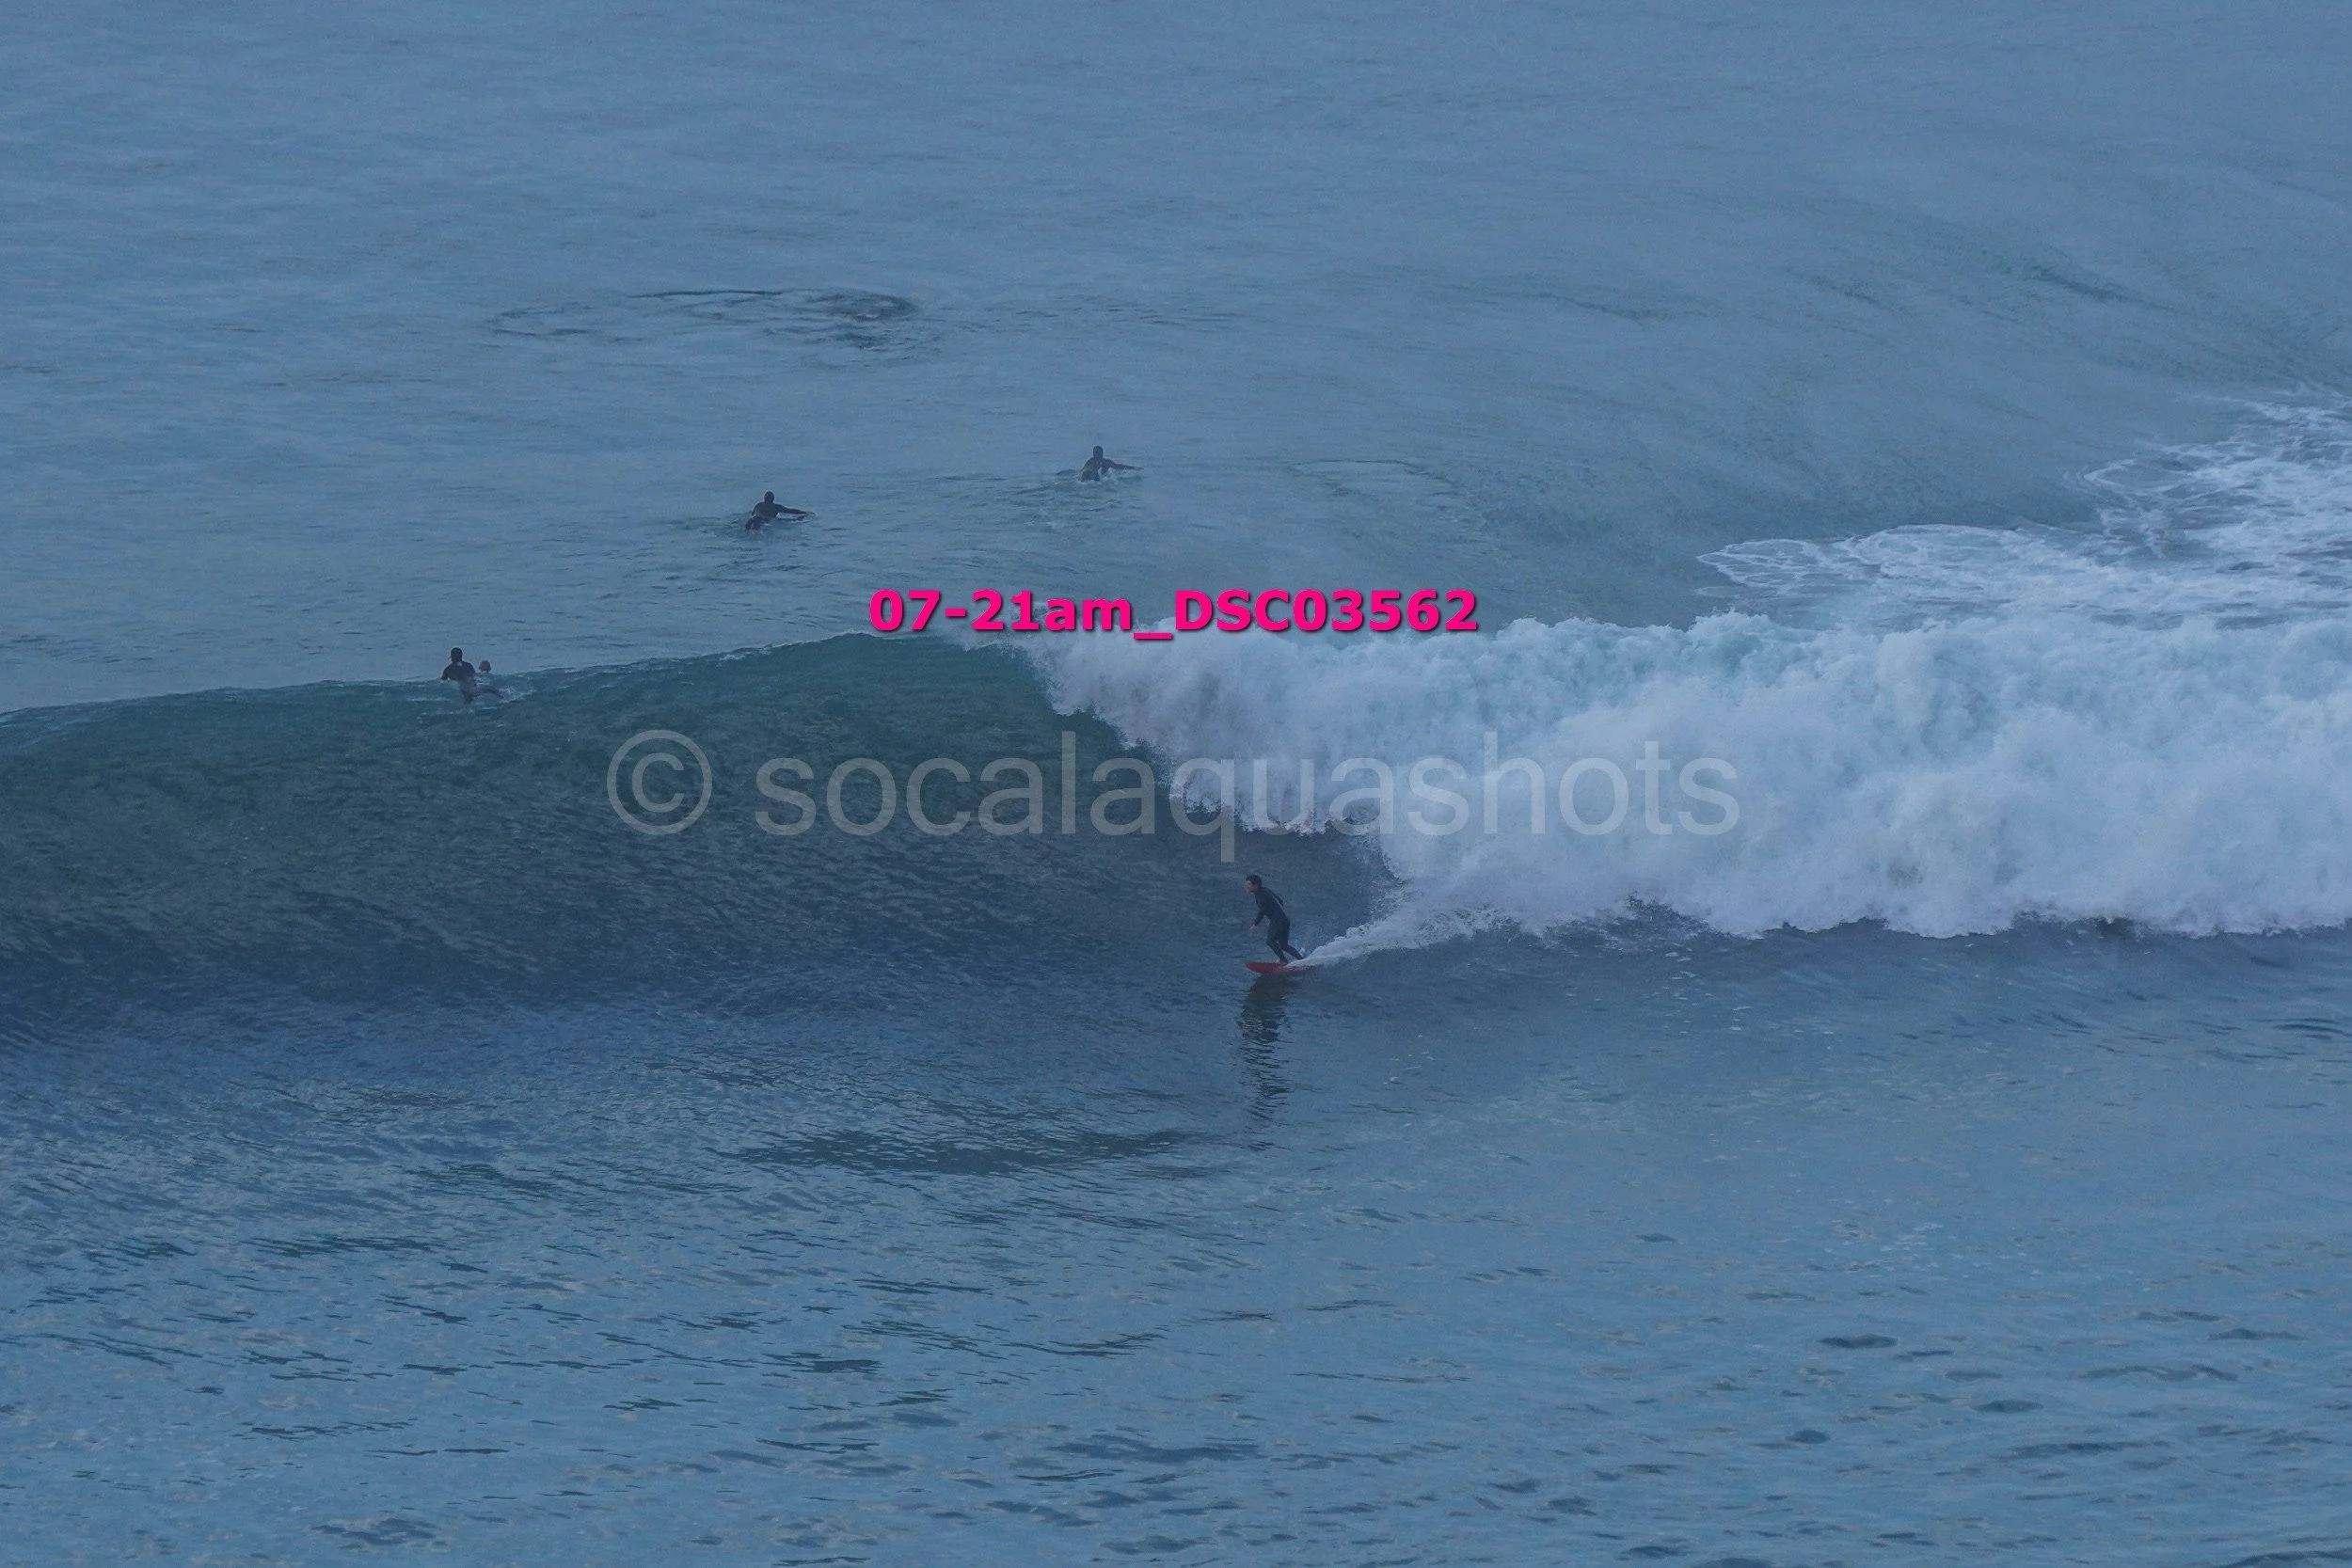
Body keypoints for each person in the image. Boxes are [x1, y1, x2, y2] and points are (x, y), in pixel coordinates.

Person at [1245, 874, 1306, 964]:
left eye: (1249, 884)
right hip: (1284, 920)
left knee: (1270, 941)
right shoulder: (1265, 890)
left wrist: (1255, 924)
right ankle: (1301, 960)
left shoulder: (1261, 895)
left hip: (1278, 921)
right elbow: (1279, 900)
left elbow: (1263, 910)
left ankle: (1283, 961)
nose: (1247, 886)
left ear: (1256, 885)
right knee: (1284, 946)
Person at [744, 491, 810, 530]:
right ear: (773, 499)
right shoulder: (776, 507)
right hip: (764, 521)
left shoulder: (758, 505)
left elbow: (752, 514)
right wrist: (804, 512)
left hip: (753, 519)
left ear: (764, 498)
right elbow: (791, 511)